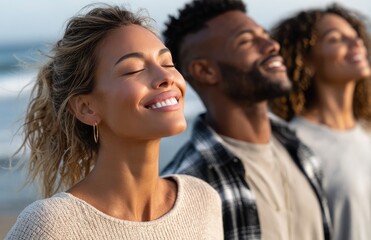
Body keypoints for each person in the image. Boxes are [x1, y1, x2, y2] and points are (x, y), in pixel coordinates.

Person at [5, 5, 223, 239]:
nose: (167, 77)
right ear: (86, 108)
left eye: (167, 63)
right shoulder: (51, 226)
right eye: (133, 69)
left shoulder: (203, 199)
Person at [161, 0, 331, 239]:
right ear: (205, 71)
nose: (271, 45)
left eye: (264, 35)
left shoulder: (301, 152)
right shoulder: (186, 187)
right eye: (247, 41)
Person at [269, 4, 371, 240]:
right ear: (306, 60)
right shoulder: (292, 146)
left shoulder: (367, 131)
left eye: (356, 37)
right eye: (335, 39)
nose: (356, 44)